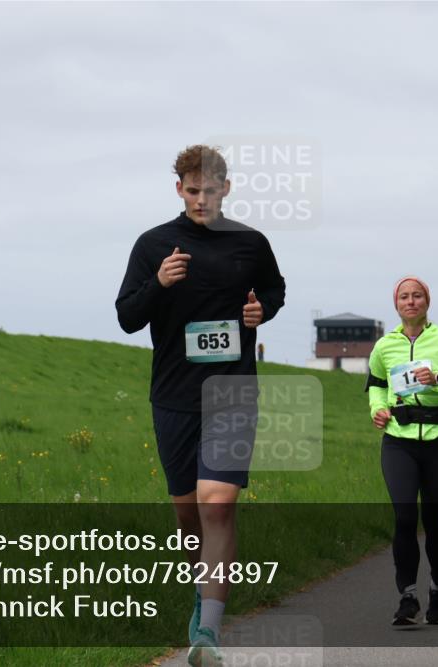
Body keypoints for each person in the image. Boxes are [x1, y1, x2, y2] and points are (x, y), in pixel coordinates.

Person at [115, 145, 286, 665]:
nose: (202, 199)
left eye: (211, 190)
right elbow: (127, 316)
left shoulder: (250, 244)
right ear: (180, 190)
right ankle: (201, 592)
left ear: (226, 189)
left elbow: (274, 293)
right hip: (173, 395)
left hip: (233, 389)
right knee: (188, 513)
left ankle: (208, 634)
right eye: (193, 191)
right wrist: (158, 283)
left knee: (217, 502)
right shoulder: (153, 245)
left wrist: (261, 311)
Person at [366, 277, 438, 626]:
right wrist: (377, 410)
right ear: (395, 304)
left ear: (427, 301)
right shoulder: (384, 346)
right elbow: (376, 386)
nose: (410, 301)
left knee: (434, 523)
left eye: (417, 296)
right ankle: (407, 597)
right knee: (403, 517)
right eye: (404, 296)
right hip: (398, 440)